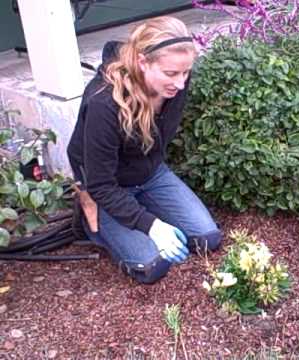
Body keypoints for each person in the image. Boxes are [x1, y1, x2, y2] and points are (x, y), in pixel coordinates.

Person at [67, 17, 222, 284]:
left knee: (207, 239)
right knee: (151, 266)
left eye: (185, 73)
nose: (181, 83)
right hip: (107, 186)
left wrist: (151, 222)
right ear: (142, 62)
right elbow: (102, 183)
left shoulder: (175, 82)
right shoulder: (104, 102)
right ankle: (88, 214)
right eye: (171, 74)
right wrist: (152, 226)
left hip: (150, 174)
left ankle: (141, 209)